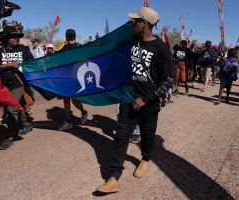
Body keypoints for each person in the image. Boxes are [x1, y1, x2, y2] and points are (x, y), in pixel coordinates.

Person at [96, 6, 174, 193]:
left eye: (135, 21)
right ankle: (113, 177)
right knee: (121, 136)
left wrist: (146, 99)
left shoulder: (161, 48)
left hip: (149, 102)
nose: (132, 23)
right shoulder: (130, 42)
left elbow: (168, 79)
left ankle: (145, 159)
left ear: (144, 24)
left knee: (147, 134)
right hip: (127, 98)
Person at [0, 26, 34, 150]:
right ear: (6, 38)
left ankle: (10, 137)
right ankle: (27, 123)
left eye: (17, 36)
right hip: (4, 85)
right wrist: (9, 65)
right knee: (20, 105)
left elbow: (32, 64)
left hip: (19, 84)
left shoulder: (24, 49)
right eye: (13, 36)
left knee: (12, 109)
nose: (16, 38)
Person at [58, 29, 88, 131]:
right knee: (66, 100)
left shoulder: (81, 47)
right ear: (66, 38)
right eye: (69, 37)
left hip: (77, 77)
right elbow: (57, 59)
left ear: (75, 37)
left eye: (72, 37)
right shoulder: (63, 48)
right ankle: (68, 122)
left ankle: (83, 112)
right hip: (66, 78)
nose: (70, 39)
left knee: (75, 100)